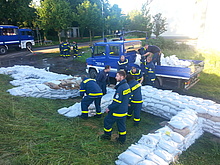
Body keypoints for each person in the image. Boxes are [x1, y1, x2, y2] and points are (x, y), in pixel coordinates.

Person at [101, 71, 131, 144]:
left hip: (117, 111)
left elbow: (117, 101)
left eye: (117, 76)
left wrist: (109, 108)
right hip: (124, 111)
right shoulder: (127, 86)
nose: (115, 77)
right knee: (121, 125)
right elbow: (128, 97)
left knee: (107, 121)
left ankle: (107, 136)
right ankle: (122, 139)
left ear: (122, 77)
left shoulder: (121, 88)